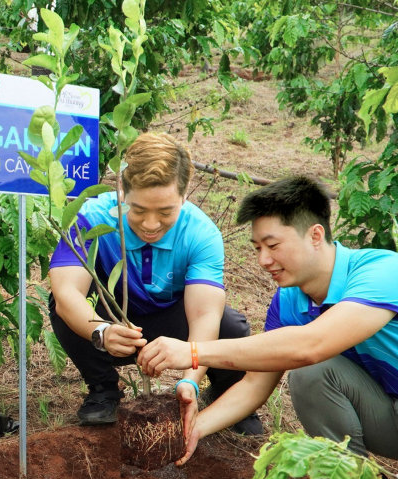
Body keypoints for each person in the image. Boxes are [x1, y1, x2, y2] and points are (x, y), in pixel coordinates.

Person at [138, 175, 398, 479]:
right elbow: (255, 385)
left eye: (272, 245)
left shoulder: (383, 272)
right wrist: (192, 429)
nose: (263, 260)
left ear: (315, 235)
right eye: (257, 247)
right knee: (311, 373)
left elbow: (313, 344)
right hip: (391, 416)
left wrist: (194, 351)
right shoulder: (290, 301)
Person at [48, 132, 262, 435]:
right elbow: (67, 291)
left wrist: (190, 380)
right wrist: (101, 331)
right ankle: (103, 389)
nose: (150, 224)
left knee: (230, 327)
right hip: (113, 318)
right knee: (61, 307)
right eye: (138, 210)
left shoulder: (201, 234)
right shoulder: (90, 217)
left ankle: (231, 399)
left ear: (185, 195)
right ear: (122, 191)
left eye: (165, 212)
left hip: (173, 322)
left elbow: (204, 316)